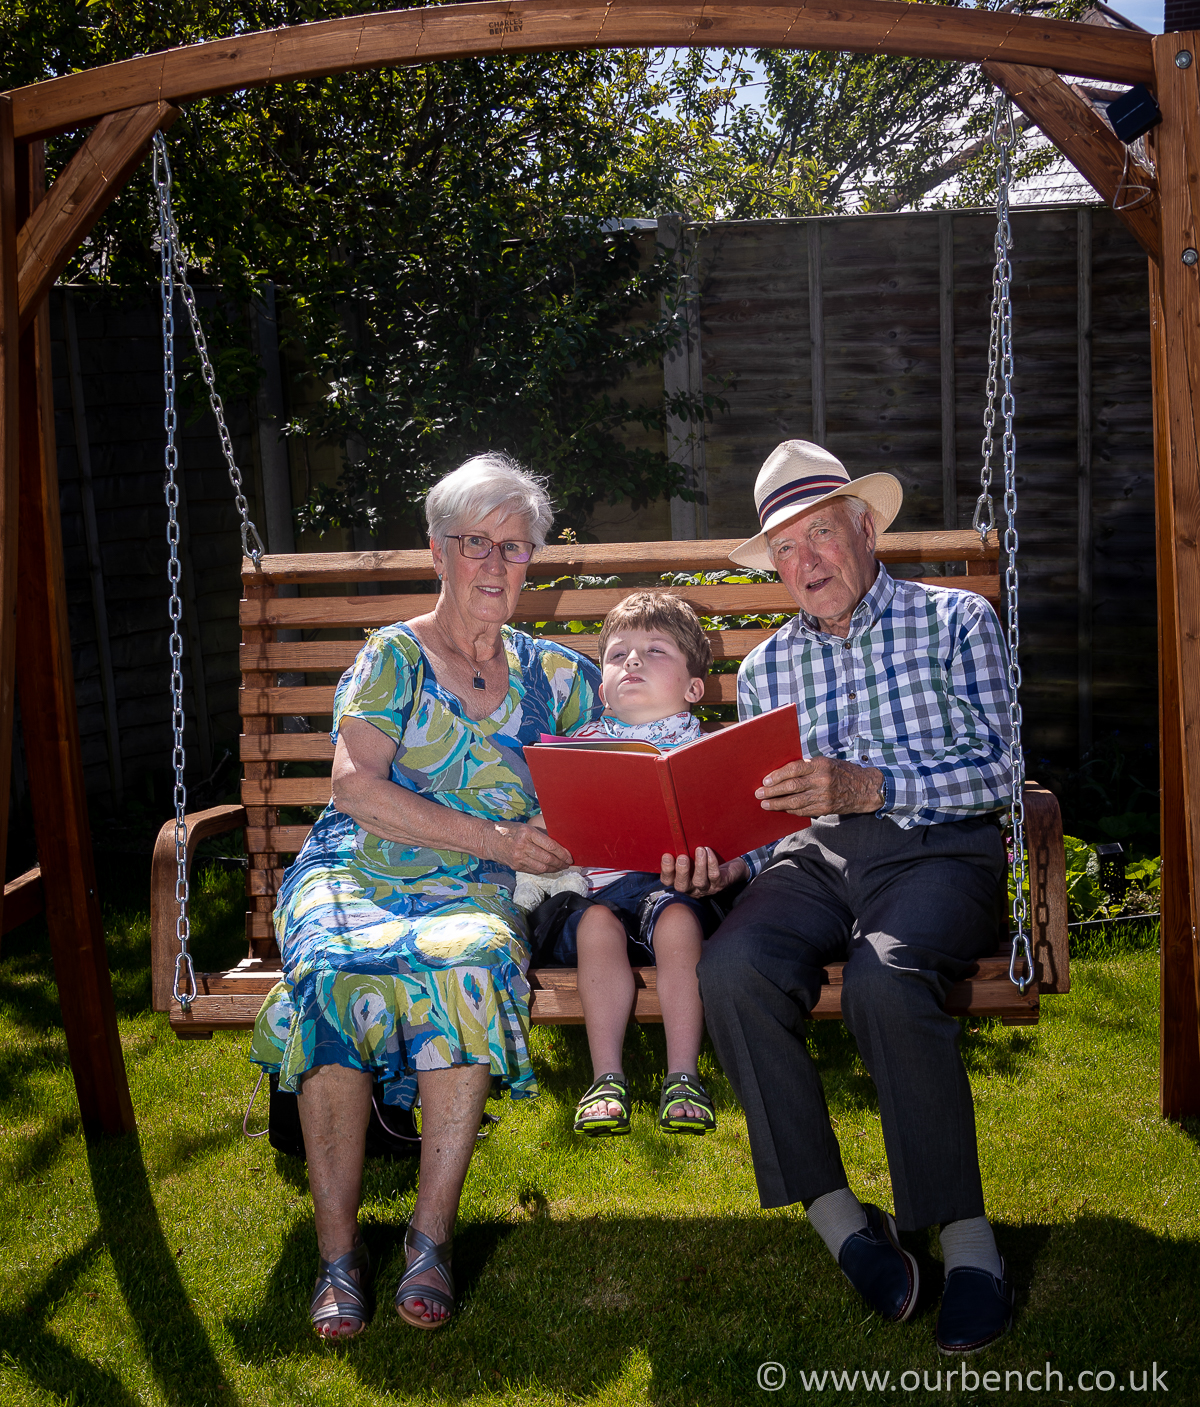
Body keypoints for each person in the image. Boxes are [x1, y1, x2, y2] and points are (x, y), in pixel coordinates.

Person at [675, 438, 1015, 1356]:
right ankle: (838, 1221)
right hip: (815, 861)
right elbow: (771, 814)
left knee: (884, 977)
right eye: (786, 548)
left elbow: (1006, 771)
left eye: (821, 534)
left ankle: (967, 1244)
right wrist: (718, 859)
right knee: (732, 967)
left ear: (865, 528)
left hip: (937, 849)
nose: (807, 562)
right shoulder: (766, 670)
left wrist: (874, 786)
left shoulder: (955, 621)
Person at [249, 453, 600, 1338]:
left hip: (473, 891)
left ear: (532, 563)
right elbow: (355, 789)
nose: (493, 564)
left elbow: (626, 778)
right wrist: (496, 836)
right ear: (437, 552)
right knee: (333, 970)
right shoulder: (393, 659)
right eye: (474, 543)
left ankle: (428, 1240)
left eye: (514, 548)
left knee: (473, 962)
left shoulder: (557, 679)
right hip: (357, 868)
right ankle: (338, 1256)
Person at [530, 592, 756, 1138]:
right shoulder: (577, 748)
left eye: (655, 651)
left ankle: (683, 1075)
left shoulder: (710, 749)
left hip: (674, 894)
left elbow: (745, 838)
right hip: (594, 898)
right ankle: (607, 1077)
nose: (632, 661)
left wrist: (731, 867)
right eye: (618, 654)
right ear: (603, 687)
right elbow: (545, 826)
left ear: (693, 687)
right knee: (597, 926)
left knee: (678, 918)